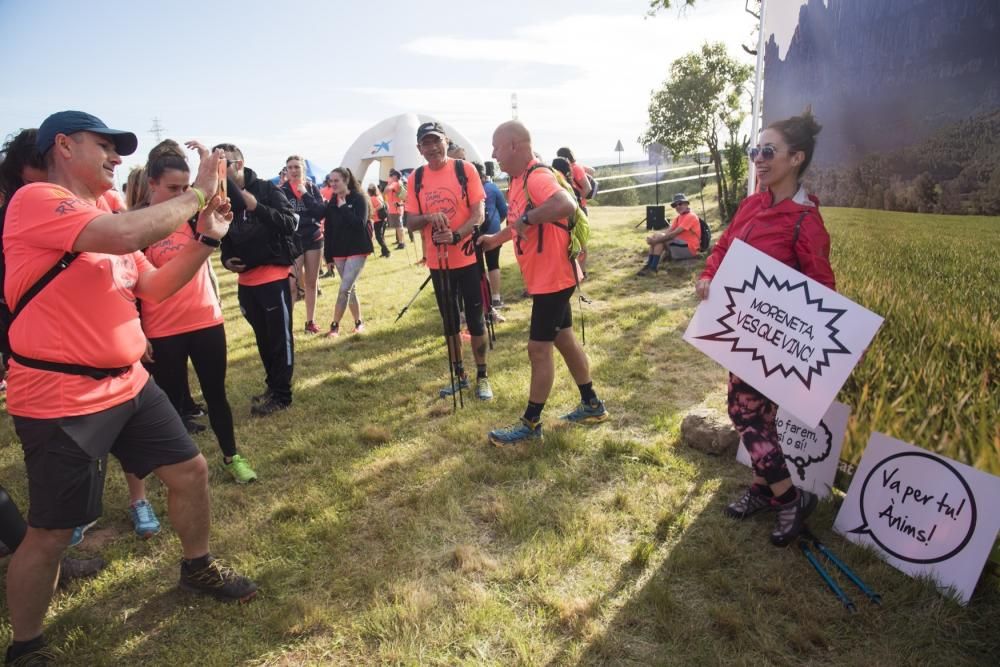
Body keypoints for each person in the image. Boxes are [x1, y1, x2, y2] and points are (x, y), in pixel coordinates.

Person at [3, 111, 257, 665]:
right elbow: (124, 235)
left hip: (129, 384)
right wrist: (198, 194)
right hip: (59, 398)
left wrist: (207, 240)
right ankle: (26, 647)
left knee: (191, 471)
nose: (118, 158)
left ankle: (197, 567)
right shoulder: (37, 200)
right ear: (63, 146)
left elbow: (155, 285)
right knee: (51, 531)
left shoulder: (108, 208)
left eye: (120, 149)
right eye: (106, 146)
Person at [696, 109, 833, 546]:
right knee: (760, 419)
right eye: (755, 150)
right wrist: (708, 274)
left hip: (776, 342)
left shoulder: (804, 220)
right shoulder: (752, 204)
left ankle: (789, 498)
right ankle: (762, 489)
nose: (758, 157)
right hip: (742, 332)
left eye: (768, 151)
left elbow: (822, 289)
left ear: (796, 157)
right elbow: (724, 246)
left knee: (742, 413)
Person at [479, 121, 608, 444]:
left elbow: (565, 204)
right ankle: (592, 404)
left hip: (554, 277)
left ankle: (531, 423)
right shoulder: (518, 181)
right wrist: (495, 239)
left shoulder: (537, 176)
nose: (493, 153)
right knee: (563, 339)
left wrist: (526, 219)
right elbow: (518, 224)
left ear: (513, 145)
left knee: (538, 349)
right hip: (548, 277)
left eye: (496, 147)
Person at [139, 140, 257, 484]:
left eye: (186, 187)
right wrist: (137, 330)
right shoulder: (140, 227)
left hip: (205, 320)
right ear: (152, 184)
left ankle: (232, 456)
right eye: (172, 188)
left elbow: (225, 205)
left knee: (216, 393)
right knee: (170, 403)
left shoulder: (196, 218)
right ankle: (178, 469)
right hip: (162, 329)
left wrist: (215, 166)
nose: (181, 194)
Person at [404, 121, 493, 401]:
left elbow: (478, 213)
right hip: (438, 263)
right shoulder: (415, 178)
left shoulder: (464, 169)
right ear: (419, 148)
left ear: (446, 141)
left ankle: (482, 376)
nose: (432, 148)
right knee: (450, 323)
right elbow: (409, 221)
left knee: (476, 322)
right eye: (425, 144)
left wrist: (456, 236)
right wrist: (429, 218)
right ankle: (459, 376)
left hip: (467, 259)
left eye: (436, 141)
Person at [215, 142, 298, 417]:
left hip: (273, 275)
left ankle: (282, 395)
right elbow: (224, 236)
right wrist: (227, 259)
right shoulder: (221, 194)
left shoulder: (265, 189)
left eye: (222, 166)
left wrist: (256, 206)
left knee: (279, 339)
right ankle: (273, 387)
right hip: (246, 282)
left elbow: (290, 223)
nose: (217, 172)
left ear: (237, 165)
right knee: (263, 339)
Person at [321, 167, 372, 336]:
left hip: (358, 249)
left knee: (344, 289)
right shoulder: (332, 202)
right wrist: (328, 256)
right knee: (350, 289)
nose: (333, 184)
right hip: (338, 252)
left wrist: (344, 208)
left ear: (346, 180)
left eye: (336, 180)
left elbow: (359, 224)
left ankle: (334, 326)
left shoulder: (359, 199)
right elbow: (328, 231)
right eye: (331, 181)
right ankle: (359, 322)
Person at [281, 155, 326, 334]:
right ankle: (287, 325)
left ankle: (310, 322)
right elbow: (281, 215)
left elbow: (320, 211)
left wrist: (305, 194)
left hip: (314, 238)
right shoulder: (282, 190)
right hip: (294, 241)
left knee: (311, 282)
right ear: (286, 170)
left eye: (296, 167)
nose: (293, 170)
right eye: (290, 167)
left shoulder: (312, 188)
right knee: (291, 285)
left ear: (303, 169)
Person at [637, 193, 701, 275]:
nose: (677, 206)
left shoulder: (690, 216)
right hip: (680, 245)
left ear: (686, 204)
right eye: (675, 205)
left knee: (659, 239)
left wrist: (655, 241)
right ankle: (650, 266)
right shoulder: (678, 218)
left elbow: (673, 234)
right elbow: (668, 231)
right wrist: (654, 237)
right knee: (657, 237)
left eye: (680, 203)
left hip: (690, 249)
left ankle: (652, 266)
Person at [555, 147, 595, 275]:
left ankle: (582, 272)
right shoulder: (573, 167)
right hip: (571, 209)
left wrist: (576, 201)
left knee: (581, 241)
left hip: (578, 209)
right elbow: (592, 171)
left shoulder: (576, 168)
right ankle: (574, 271)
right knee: (571, 242)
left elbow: (587, 188)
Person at [474, 162, 508, 313]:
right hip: (493, 231)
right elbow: (504, 211)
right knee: (493, 264)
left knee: (475, 267)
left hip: (473, 233)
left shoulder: (469, 189)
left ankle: (481, 299)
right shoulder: (493, 188)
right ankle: (495, 297)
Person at [384, 168, 407, 250]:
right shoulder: (398, 183)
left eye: (392, 175)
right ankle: (401, 242)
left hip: (396, 208)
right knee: (398, 227)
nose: (391, 176)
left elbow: (386, 190)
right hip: (396, 208)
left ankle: (402, 243)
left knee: (399, 227)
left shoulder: (395, 183)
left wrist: (389, 183)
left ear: (396, 176)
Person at [367, 183, 392, 258]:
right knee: (381, 236)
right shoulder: (379, 196)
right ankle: (384, 252)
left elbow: (380, 205)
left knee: (378, 237)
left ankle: (387, 251)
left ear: (370, 191)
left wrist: (373, 210)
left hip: (378, 220)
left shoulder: (373, 198)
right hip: (383, 218)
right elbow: (385, 204)